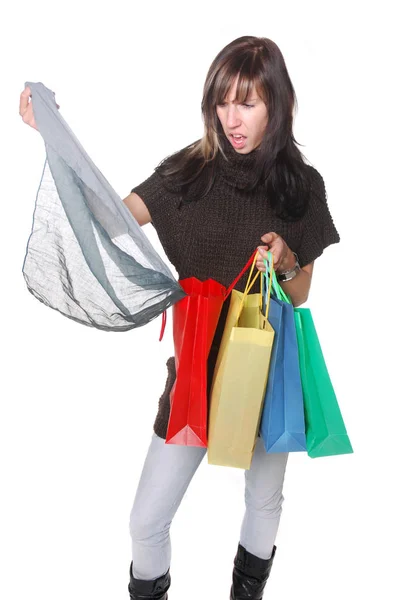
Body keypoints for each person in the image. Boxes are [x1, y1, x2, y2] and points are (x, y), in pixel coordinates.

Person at [20, 36, 340, 600]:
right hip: (194, 369)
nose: (231, 117)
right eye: (222, 102)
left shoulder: (301, 188)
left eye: (247, 102)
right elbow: (109, 219)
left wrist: (288, 261)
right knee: (146, 520)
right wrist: (55, 139)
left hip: (264, 367)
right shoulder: (187, 173)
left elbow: (303, 291)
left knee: (264, 501)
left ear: (278, 104)